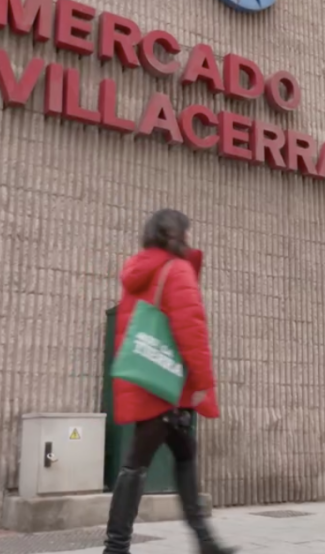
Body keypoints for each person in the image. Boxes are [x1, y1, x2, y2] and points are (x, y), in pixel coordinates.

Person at [104, 209, 235, 554]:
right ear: (176, 235)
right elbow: (191, 330)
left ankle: (205, 541)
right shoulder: (175, 270)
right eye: (186, 233)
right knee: (136, 463)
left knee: (184, 453)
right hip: (167, 385)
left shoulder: (139, 269)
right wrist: (204, 381)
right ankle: (115, 548)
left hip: (147, 375)